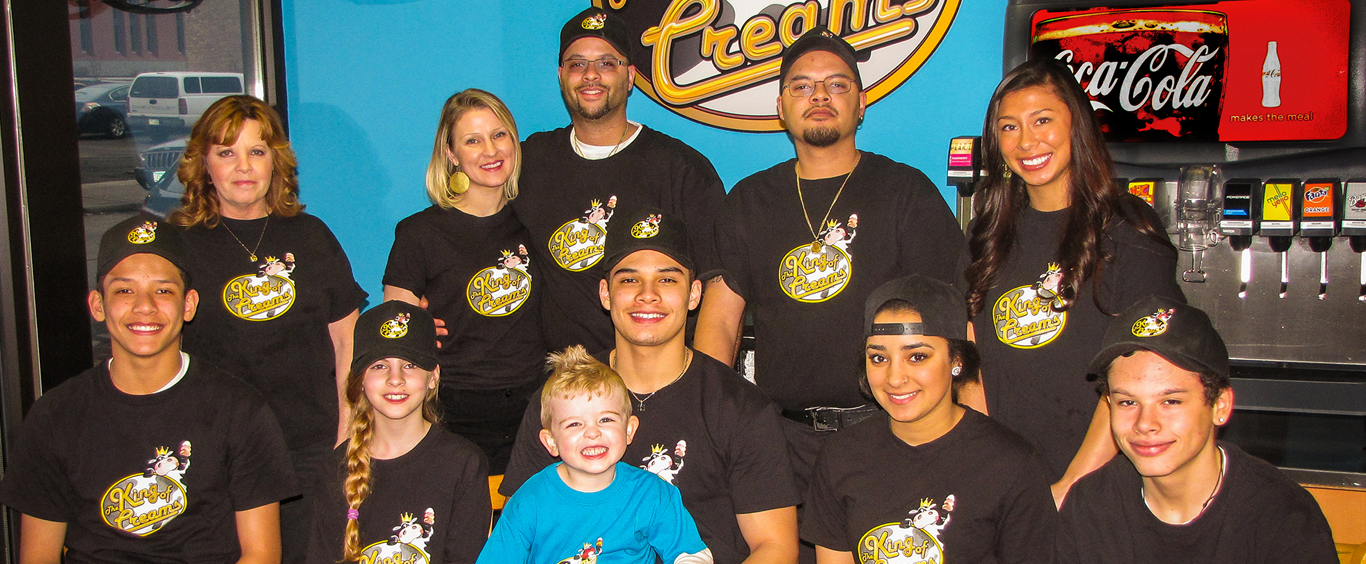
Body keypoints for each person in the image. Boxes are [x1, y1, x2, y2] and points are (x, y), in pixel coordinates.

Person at [696, 29, 966, 485]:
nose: (819, 95)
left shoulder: (906, 192)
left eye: (837, 84)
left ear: (861, 104)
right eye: (801, 86)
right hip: (783, 441)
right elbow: (720, 323)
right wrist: (706, 420)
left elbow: (954, 322)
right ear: (781, 108)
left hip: (890, 433)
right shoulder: (750, 200)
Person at [501, 207, 801, 564]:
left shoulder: (740, 407)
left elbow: (775, 548)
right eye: (629, 280)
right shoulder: (561, 397)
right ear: (605, 293)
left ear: (694, 294)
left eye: (667, 279)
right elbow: (516, 538)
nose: (647, 294)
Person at [0, 214, 297, 563]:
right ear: (98, 305)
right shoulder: (54, 416)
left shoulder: (240, 411)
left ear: (189, 305)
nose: (145, 306)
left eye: (163, 290)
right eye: (125, 290)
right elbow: (38, 556)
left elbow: (261, 554)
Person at [962, 59, 1185, 505]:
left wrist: (1070, 487)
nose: (1026, 141)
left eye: (1042, 120)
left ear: (1076, 126)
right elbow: (970, 361)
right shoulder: (987, 233)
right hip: (1013, 482)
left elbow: (1140, 373)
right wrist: (993, 467)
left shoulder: (1127, 227)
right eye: (1009, 128)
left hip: (1105, 483)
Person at [170, 94, 368, 562]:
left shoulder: (310, 236)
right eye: (226, 152)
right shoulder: (178, 247)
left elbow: (347, 341)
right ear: (203, 164)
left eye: (257, 151)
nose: (243, 166)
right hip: (217, 452)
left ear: (276, 162)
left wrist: (344, 436)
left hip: (308, 450)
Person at [1056, 295, 1337, 563]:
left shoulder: (1281, 518)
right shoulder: (1091, 505)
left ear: (1220, 405)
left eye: (1171, 401)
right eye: (1128, 401)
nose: (1145, 424)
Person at [512, 6, 726, 354]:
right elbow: (472, 222)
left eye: (607, 63)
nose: (591, 74)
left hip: (657, 382)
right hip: (563, 386)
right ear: (561, 75)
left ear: (629, 77)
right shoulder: (529, 162)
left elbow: (719, 286)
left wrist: (704, 389)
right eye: (577, 63)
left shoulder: (682, 169)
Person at [802, 275, 1057, 563]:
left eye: (917, 357)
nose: (895, 378)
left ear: (957, 361)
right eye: (878, 358)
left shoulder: (1011, 465)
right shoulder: (840, 456)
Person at [382, 88, 545, 474]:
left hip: (537, 410)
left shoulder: (538, 221)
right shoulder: (419, 233)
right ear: (451, 154)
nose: (490, 150)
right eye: (473, 140)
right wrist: (414, 330)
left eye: (499, 134)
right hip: (453, 412)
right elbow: (395, 333)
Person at [479, 345, 714, 564]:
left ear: (629, 430)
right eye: (574, 424)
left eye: (605, 419)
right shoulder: (530, 501)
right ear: (551, 442)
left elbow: (692, 554)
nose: (592, 432)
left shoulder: (651, 494)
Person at [305, 300, 491, 564]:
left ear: (433, 376)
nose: (396, 379)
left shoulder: (463, 464)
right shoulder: (336, 468)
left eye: (410, 365)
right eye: (380, 366)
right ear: (360, 380)